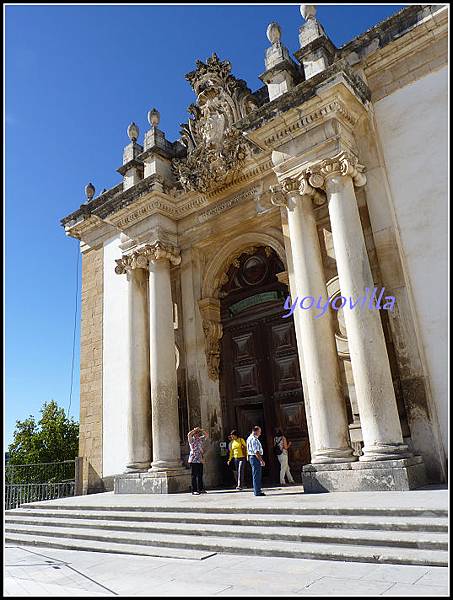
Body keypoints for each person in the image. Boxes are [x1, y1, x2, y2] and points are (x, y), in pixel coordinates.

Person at [187, 427, 209, 495]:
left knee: (200, 475)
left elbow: (207, 435)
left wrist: (201, 430)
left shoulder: (200, 439)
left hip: (200, 459)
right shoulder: (191, 440)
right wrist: (194, 430)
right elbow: (189, 434)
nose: (196, 434)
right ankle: (194, 490)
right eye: (195, 433)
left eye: (197, 433)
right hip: (193, 459)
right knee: (194, 475)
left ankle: (201, 489)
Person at [246, 426, 266, 496]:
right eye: (259, 432)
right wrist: (261, 460)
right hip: (255, 458)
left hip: (252, 457)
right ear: (256, 431)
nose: (260, 434)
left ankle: (257, 490)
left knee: (255, 474)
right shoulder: (253, 439)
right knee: (257, 475)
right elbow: (256, 451)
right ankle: (257, 491)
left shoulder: (249, 438)